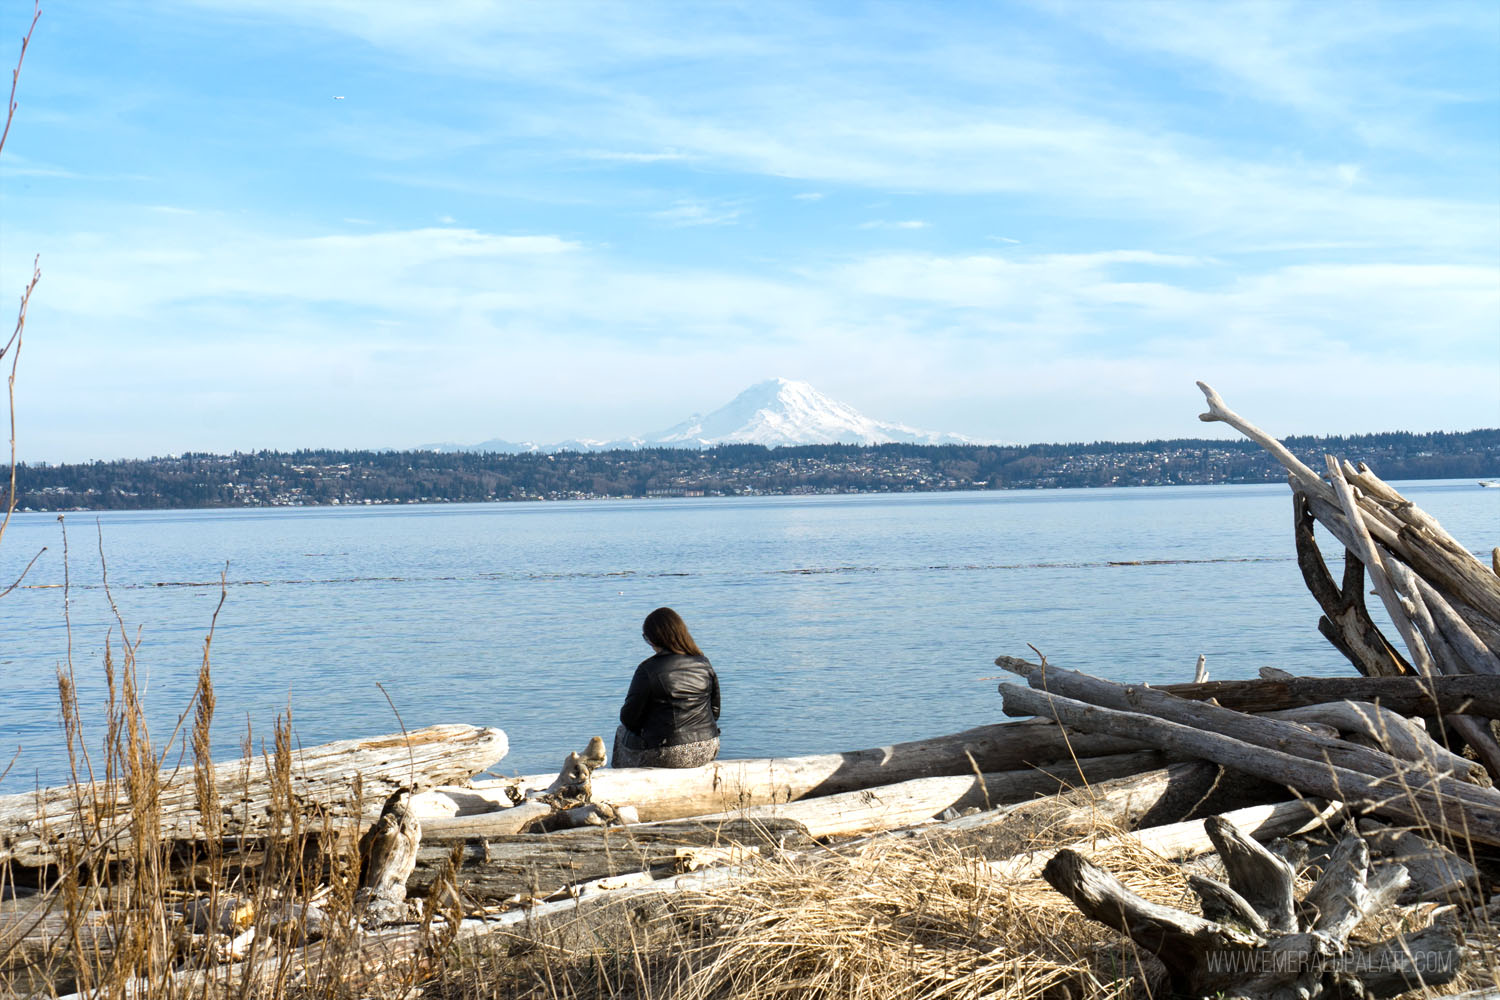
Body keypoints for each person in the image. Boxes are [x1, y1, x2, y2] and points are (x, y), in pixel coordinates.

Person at [613, 607, 721, 768]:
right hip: (707, 746)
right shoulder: (703, 663)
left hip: (670, 753)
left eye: (646, 638)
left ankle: (623, 787)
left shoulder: (647, 669)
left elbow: (629, 718)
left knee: (621, 732)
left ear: (654, 639)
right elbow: (715, 712)